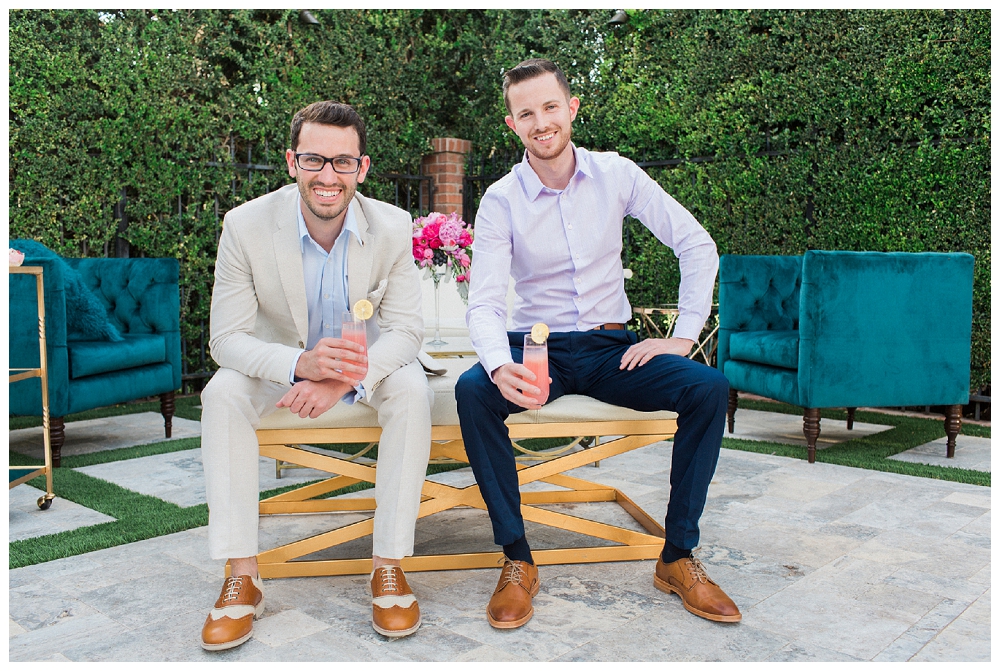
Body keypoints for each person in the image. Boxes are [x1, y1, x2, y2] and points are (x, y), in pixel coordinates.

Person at [456, 59, 740, 629]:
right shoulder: (501, 199)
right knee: (473, 390)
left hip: (613, 351)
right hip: (538, 350)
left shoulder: (617, 174)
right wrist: (498, 365)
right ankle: (517, 558)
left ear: (572, 109)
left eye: (550, 107)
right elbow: (484, 302)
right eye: (526, 113)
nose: (541, 122)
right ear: (512, 124)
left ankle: (677, 556)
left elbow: (696, 244)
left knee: (709, 388)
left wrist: (684, 336)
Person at [199, 101, 432, 649]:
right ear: (292, 162)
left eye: (343, 162)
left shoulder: (393, 227)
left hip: (363, 368)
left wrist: (341, 380)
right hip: (280, 366)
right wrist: (299, 365)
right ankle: (241, 574)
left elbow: (405, 332)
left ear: (362, 168)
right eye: (314, 160)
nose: (328, 176)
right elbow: (225, 339)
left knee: (411, 389)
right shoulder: (245, 225)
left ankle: (388, 566)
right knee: (222, 392)